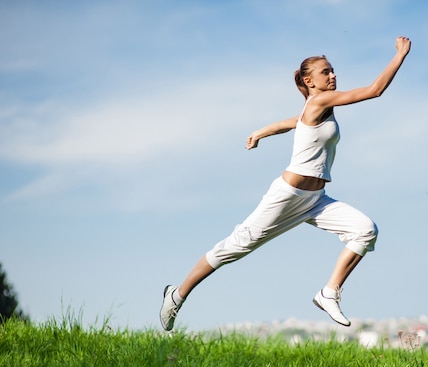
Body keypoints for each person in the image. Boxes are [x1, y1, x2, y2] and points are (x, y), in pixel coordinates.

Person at [160, 36, 411, 331]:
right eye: (326, 72)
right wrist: (400, 54)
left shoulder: (315, 107)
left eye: (333, 71)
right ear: (310, 81)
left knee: (365, 231)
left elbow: (292, 122)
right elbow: (374, 90)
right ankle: (176, 295)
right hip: (287, 196)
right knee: (235, 247)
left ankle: (329, 292)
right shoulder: (319, 100)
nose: (333, 75)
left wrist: (260, 131)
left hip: (316, 200)